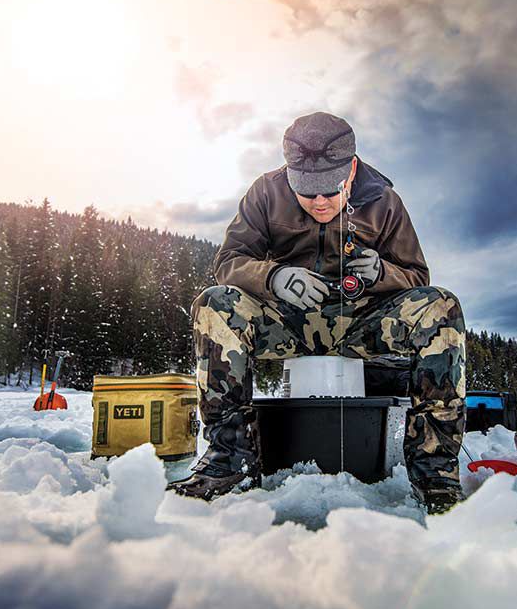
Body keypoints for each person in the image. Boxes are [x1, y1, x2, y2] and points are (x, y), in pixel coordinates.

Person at [168, 112, 466, 514]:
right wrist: (273, 277)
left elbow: (418, 277)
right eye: (307, 193)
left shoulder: (384, 202)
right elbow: (228, 262)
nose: (320, 202)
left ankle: (435, 472)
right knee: (214, 304)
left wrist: (382, 273)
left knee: (441, 305)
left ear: (352, 169)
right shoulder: (265, 193)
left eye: (330, 191)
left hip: (363, 323)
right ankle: (229, 459)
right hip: (286, 322)